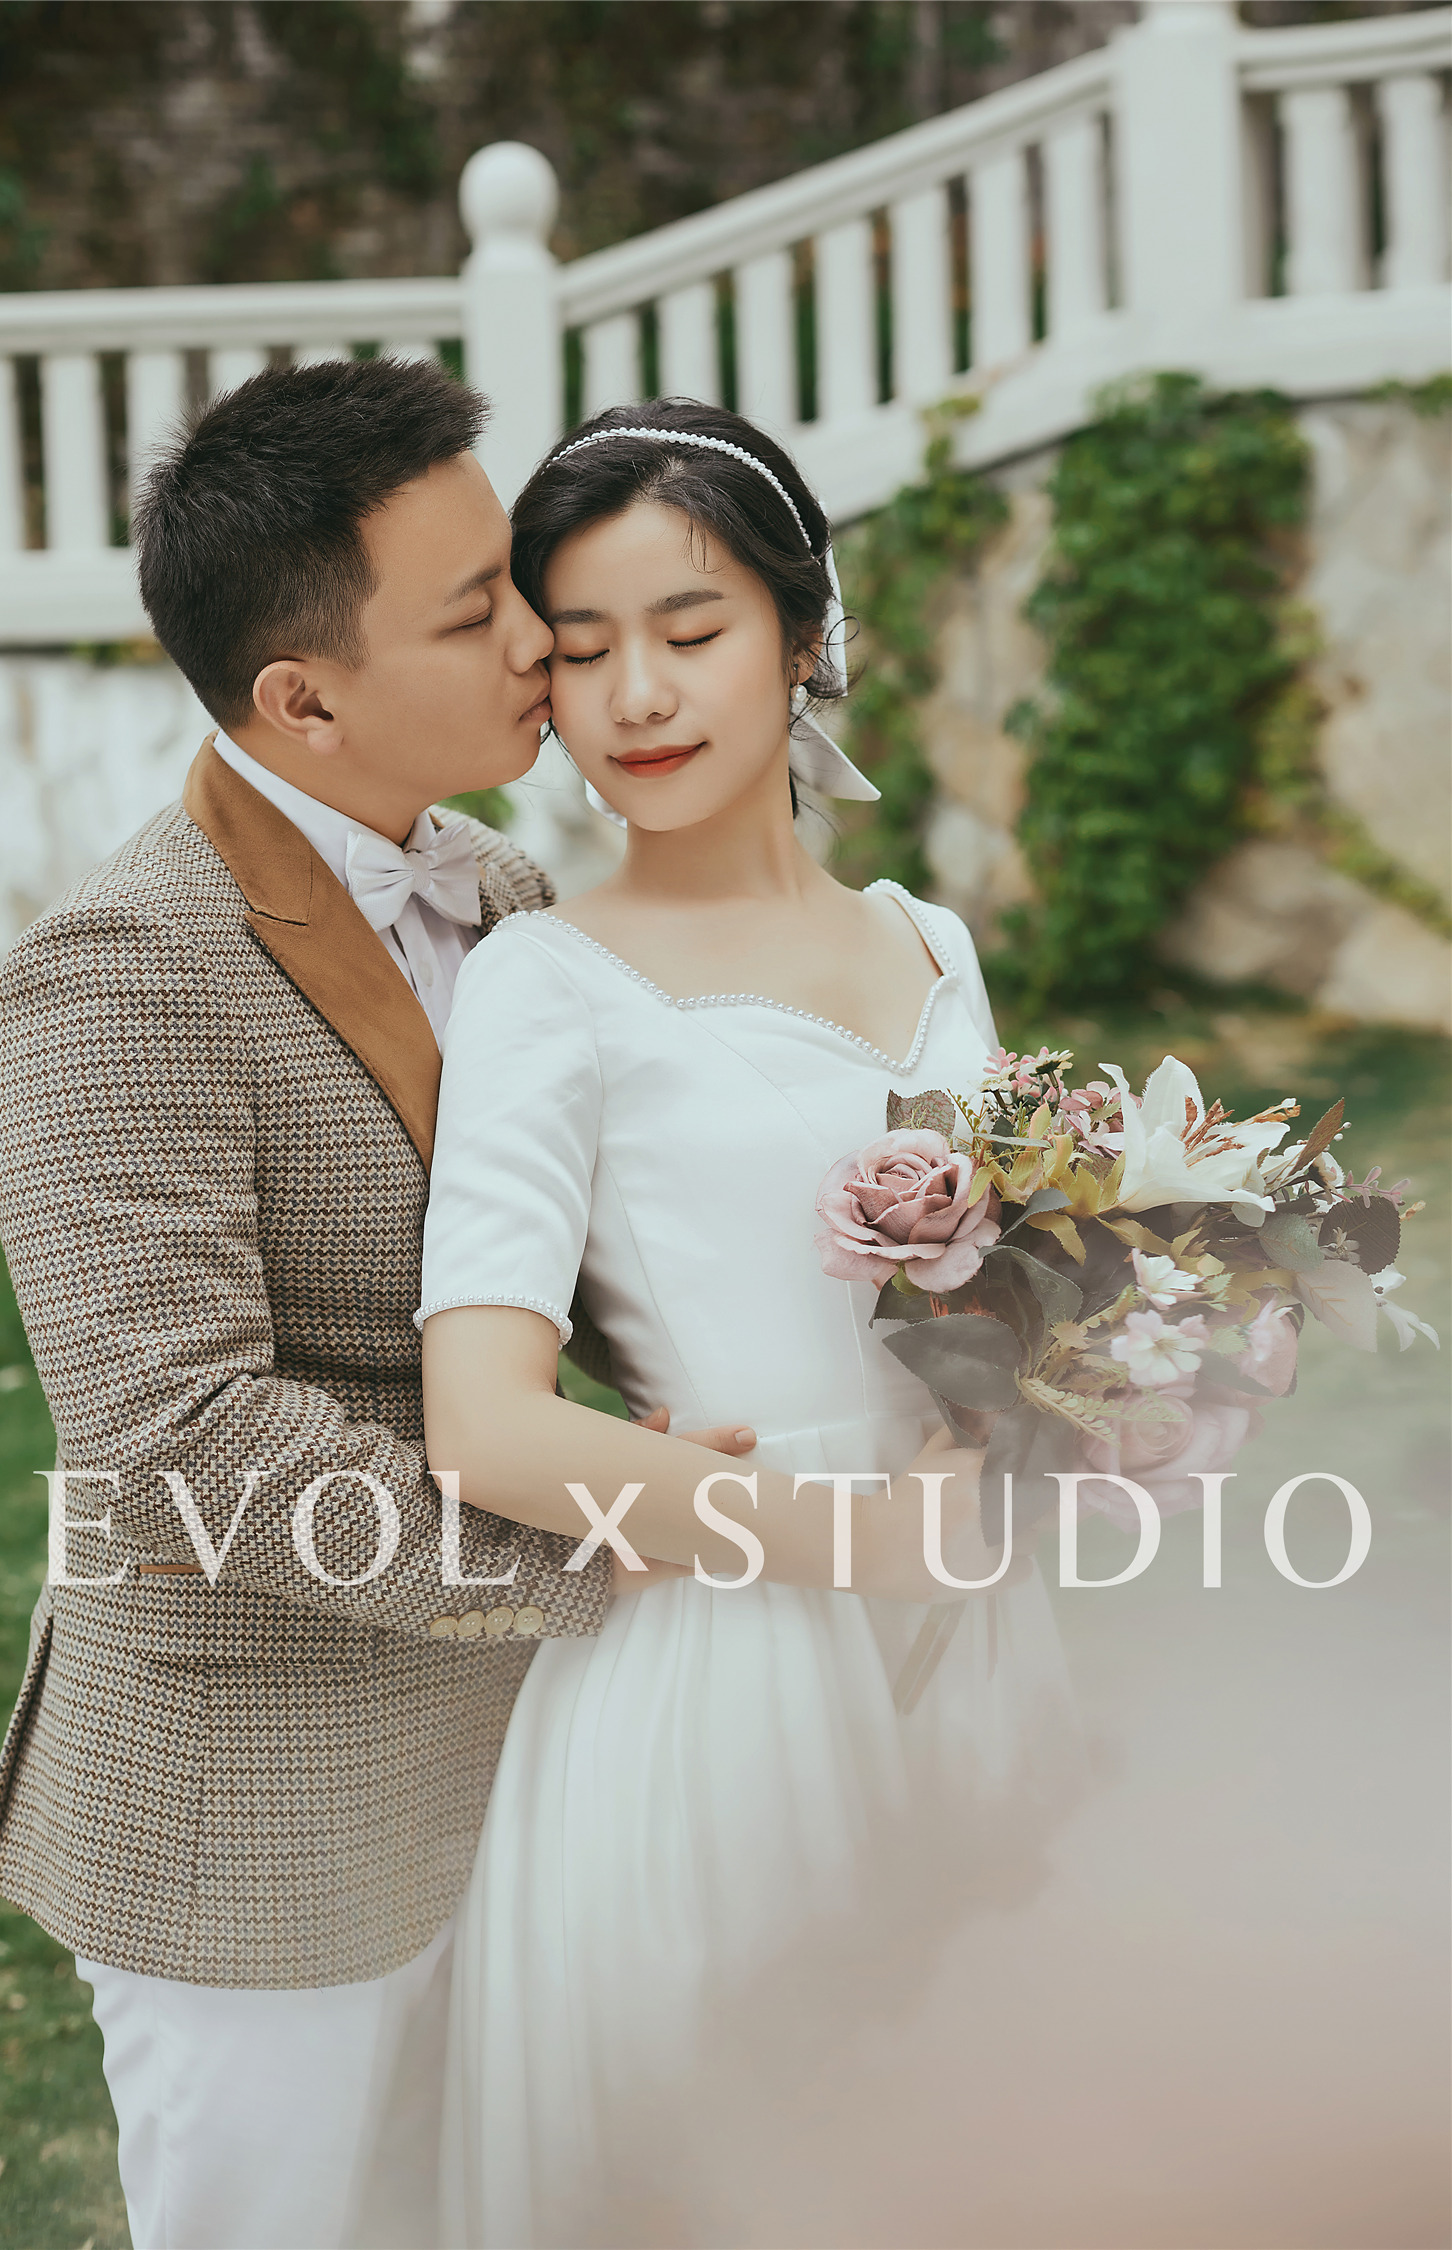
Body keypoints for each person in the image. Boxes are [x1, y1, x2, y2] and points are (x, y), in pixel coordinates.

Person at [0, 359, 758, 2250]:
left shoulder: (500, 887)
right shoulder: (115, 978)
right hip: (258, 1816)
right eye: (476, 611)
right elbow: (182, 1446)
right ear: (300, 699)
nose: (543, 636)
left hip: (531, 1764)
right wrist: (600, 1546)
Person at [420, 399, 1079, 2249]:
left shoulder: (930, 942)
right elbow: (486, 1423)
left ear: (804, 635)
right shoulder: (547, 982)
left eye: (691, 629)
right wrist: (868, 1539)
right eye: (580, 647)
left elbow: (1006, 1286)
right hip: (728, 1658)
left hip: (977, 1631)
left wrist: (1076, 1398)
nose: (636, 693)